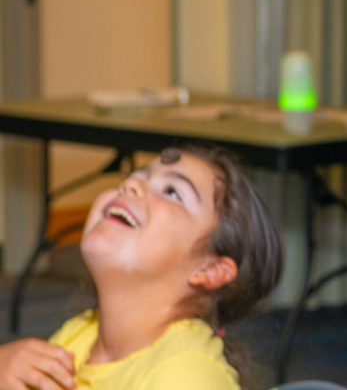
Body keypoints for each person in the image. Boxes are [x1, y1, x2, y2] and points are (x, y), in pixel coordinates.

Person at [0, 146, 283, 390]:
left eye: (172, 191)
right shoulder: (80, 334)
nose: (130, 186)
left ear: (210, 270)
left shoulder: (187, 376)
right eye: (133, 178)